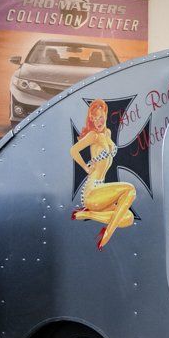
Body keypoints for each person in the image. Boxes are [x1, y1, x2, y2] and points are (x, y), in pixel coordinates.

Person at [70, 97, 137, 249]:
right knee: (130, 189)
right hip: (92, 192)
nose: (97, 122)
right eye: (94, 119)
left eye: (100, 117)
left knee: (128, 218)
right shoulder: (94, 135)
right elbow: (73, 150)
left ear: (105, 115)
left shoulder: (107, 133)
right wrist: (86, 168)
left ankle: (88, 214)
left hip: (101, 193)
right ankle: (107, 233)